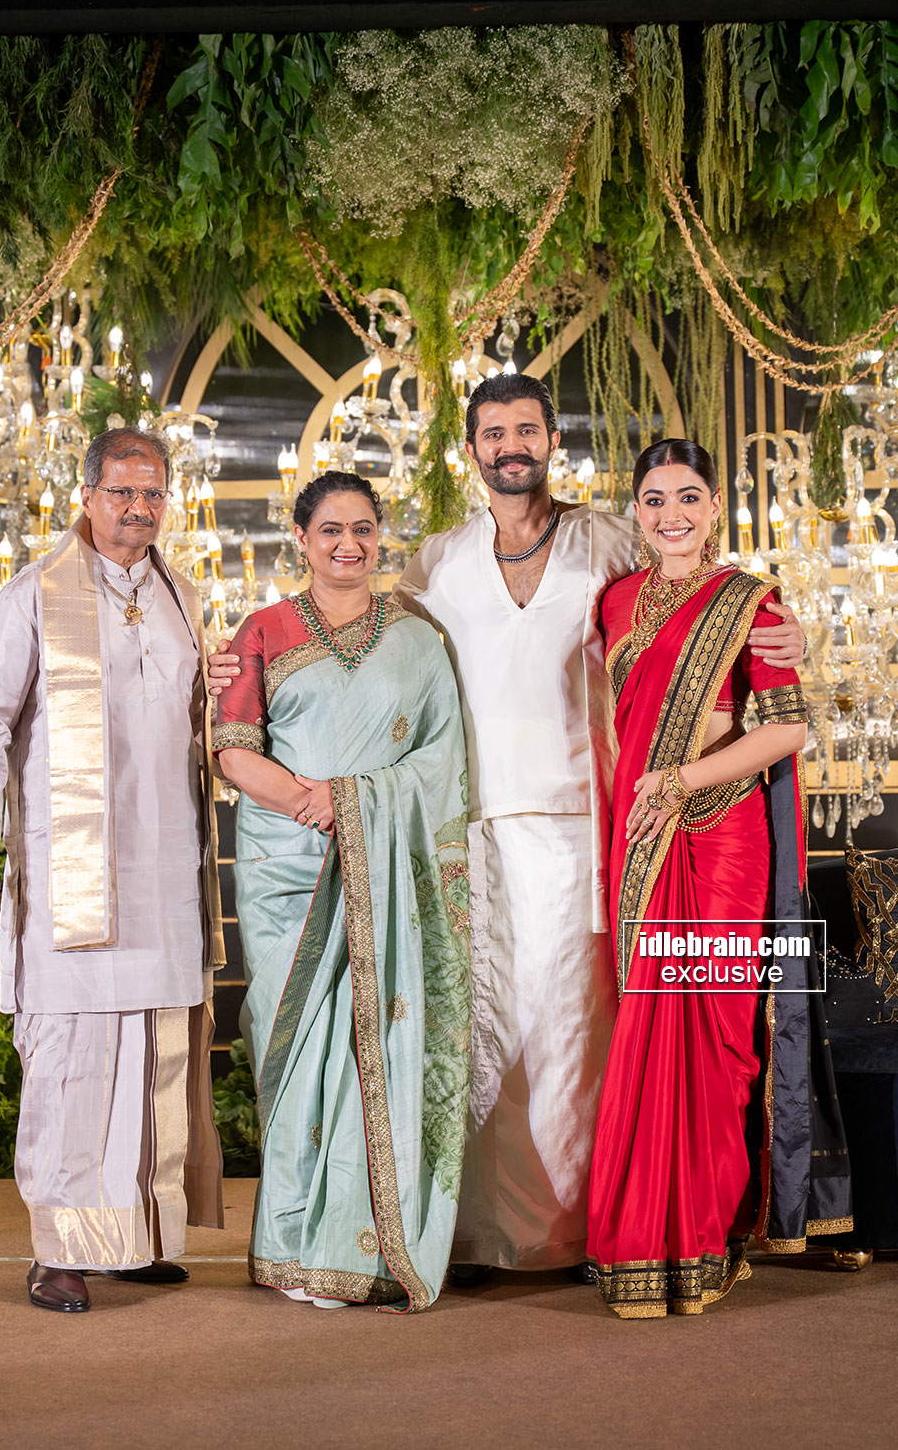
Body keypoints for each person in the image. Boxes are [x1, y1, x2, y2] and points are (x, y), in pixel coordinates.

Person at [208, 374, 804, 1278]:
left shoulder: (609, 542)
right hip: (465, 828)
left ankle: (587, 1232)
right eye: (494, 432)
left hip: (586, 827)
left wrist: (789, 637)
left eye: (527, 429)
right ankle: (474, 1233)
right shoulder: (438, 561)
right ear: (471, 449)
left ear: (553, 441)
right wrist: (238, 663)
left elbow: (692, 602)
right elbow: (363, 636)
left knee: (575, 1034)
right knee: (478, 1028)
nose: (511, 445)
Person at [0, 427, 225, 1314]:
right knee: (74, 1059)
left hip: (167, 869)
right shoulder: (34, 594)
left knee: (155, 1054)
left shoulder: (182, 595)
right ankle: (60, 1250)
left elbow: (196, 726)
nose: (138, 508)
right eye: (121, 492)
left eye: (152, 492)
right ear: (88, 495)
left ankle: (129, 1236)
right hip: (72, 876)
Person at [586, 439, 851, 1318]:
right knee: (646, 1029)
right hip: (641, 837)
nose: (673, 514)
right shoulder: (615, 600)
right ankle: (643, 1242)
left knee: (720, 1038)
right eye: (656, 498)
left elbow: (785, 730)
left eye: (690, 496)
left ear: (715, 506)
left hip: (721, 833)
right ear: (637, 510)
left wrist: (681, 780)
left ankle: (709, 1234)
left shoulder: (751, 600)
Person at [213, 470, 470, 1313]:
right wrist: (312, 801)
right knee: (295, 1050)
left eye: (362, 528)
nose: (348, 544)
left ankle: (356, 1246)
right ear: (302, 538)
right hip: (288, 869)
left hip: (382, 863)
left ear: (379, 535)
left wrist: (353, 802)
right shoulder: (264, 629)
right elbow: (233, 749)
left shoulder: (419, 639)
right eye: (330, 529)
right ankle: (293, 1242)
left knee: (373, 1042)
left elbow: (441, 758)